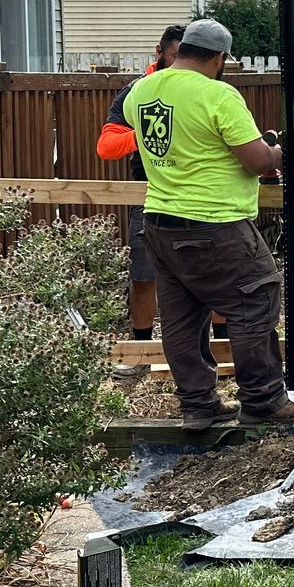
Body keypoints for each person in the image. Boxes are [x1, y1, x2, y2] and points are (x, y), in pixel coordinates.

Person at [124, 19, 294, 429]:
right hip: (214, 222)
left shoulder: (141, 91)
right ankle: (263, 402)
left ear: (183, 48)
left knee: (182, 317)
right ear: (219, 58)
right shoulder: (218, 94)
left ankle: (198, 406)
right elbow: (255, 161)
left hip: (160, 221)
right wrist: (277, 152)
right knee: (256, 299)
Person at [97, 24, 185, 379]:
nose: (181, 64)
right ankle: (140, 355)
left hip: (198, 193)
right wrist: (149, 131)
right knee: (144, 276)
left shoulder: (205, 90)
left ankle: (221, 350)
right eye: (175, 56)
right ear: (159, 52)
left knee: (209, 277)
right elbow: (106, 147)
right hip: (147, 194)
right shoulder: (136, 92)